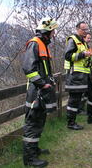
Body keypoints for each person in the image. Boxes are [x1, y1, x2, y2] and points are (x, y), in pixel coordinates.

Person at [22, 17, 58, 167]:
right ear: (47, 31)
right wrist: (42, 84)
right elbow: (28, 69)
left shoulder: (43, 44)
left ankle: (34, 150)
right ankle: (29, 159)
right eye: (53, 30)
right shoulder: (35, 44)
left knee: (39, 121)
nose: (54, 33)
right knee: (32, 123)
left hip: (41, 91)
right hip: (35, 91)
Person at [65, 21, 92, 130]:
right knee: (75, 99)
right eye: (83, 29)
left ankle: (91, 117)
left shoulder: (84, 42)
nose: (86, 31)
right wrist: (83, 54)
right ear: (78, 29)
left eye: (87, 29)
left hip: (86, 74)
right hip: (76, 75)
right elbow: (68, 56)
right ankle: (71, 123)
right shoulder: (73, 40)